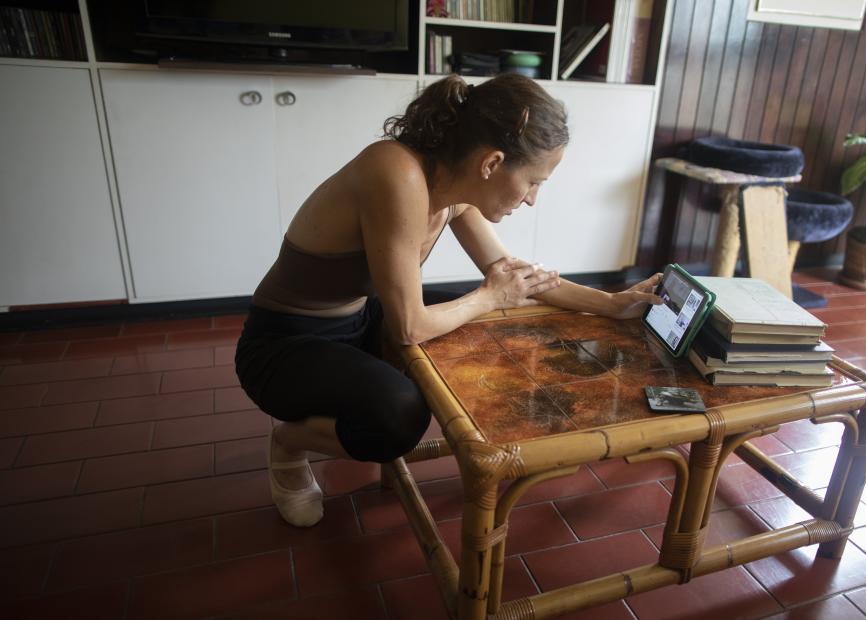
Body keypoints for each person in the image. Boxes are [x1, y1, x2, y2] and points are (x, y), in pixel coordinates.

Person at [234, 73, 663, 527]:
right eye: (534, 182)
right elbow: (409, 327)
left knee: (489, 317)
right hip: (285, 346)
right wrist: (490, 297)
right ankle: (290, 442)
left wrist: (614, 303)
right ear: (492, 163)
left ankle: (343, 412)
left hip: (360, 323)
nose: (533, 199)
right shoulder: (395, 172)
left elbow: (514, 279)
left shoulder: (454, 191)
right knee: (398, 418)